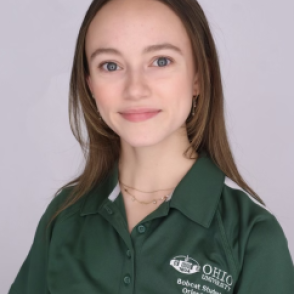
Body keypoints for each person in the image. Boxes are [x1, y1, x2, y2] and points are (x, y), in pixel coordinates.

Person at [8, 0, 294, 293]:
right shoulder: (63, 217)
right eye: (111, 65)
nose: (135, 89)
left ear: (198, 76)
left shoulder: (253, 234)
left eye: (160, 61)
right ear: (90, 84)